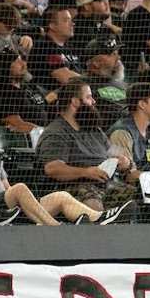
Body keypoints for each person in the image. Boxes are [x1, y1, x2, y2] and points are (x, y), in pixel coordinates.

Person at [0, 101, 129, 225]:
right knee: (20, 188)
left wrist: (14, 198)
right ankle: (55, 230)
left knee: (62, 197)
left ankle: (99, 219)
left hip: (12, 207)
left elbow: (6, 187)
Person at [37, 80, 136, 211]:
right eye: (89, 97)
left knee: (139, 197)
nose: (94, 102)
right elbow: (53, 169)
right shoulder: (56, 132)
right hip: (72, 188)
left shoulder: (94, 130)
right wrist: (86, 172)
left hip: (106, 185)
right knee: (92, 202)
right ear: (75, 102)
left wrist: (125, 162)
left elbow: (115, 152)